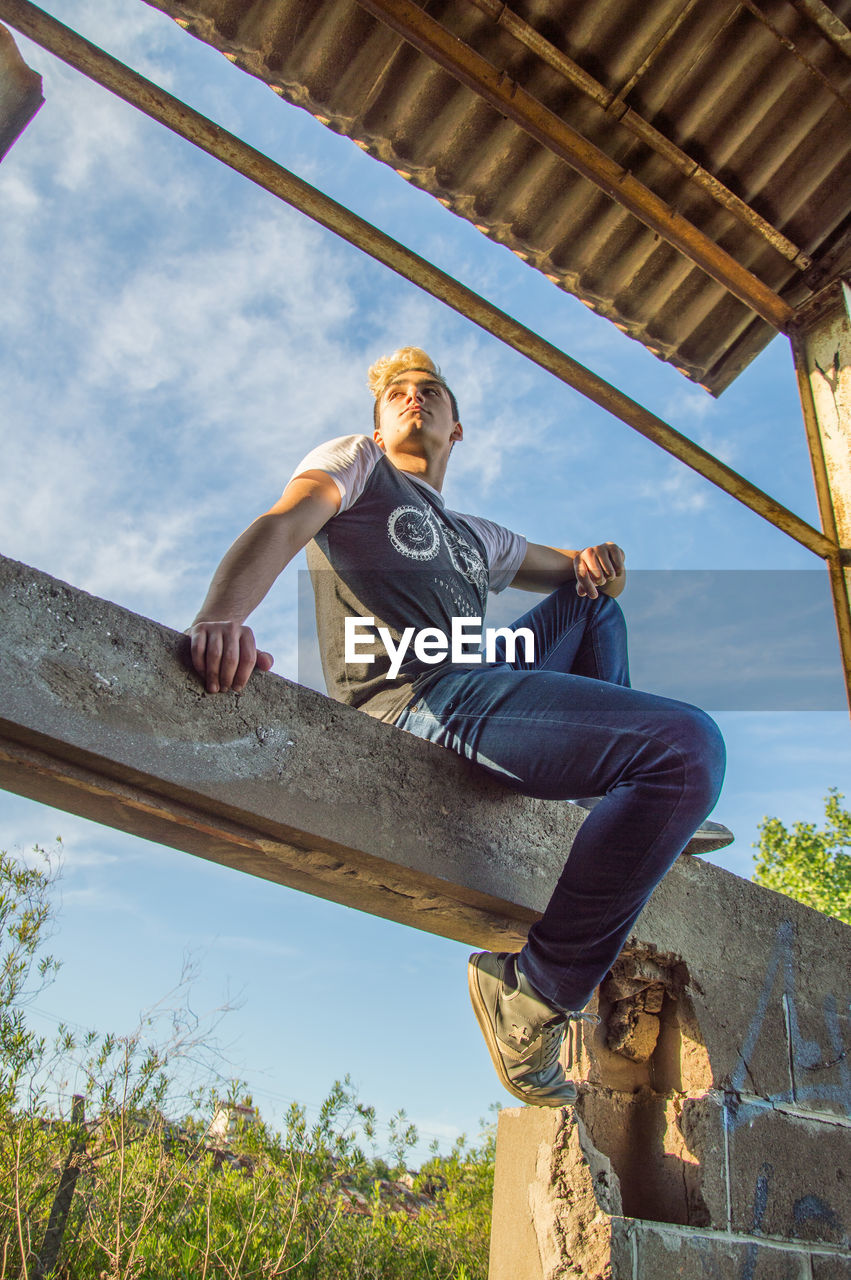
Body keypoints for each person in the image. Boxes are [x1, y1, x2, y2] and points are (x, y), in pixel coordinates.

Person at [188, 346, 727, 1107]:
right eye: (398, 393)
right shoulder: (358, 464)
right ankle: (532, 996)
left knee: (594, 608)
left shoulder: (477, 538)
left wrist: (603, 563)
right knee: (686, 750)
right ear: (378, 420)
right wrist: (222, 616)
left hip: (476, 683)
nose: (413, 399)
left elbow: (578, 572)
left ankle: (605, 795)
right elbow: (283, 520)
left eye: (429, 391)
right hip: (412, 698)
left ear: (457, 427)